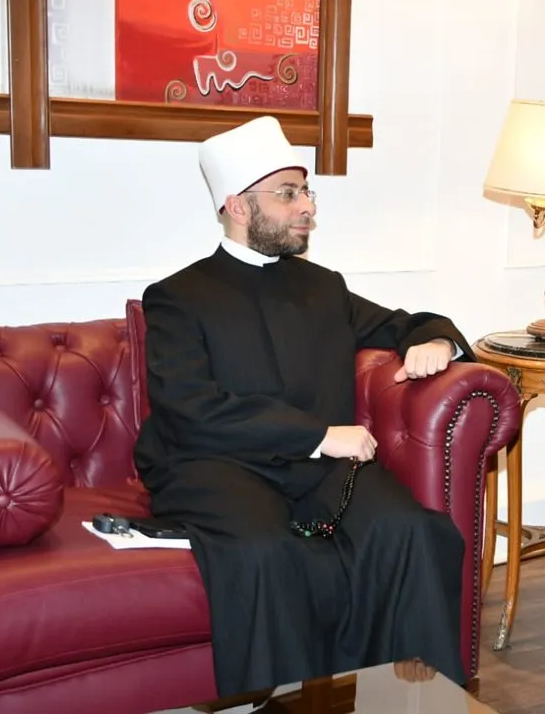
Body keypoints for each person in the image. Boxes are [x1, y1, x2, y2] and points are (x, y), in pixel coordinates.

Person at [132, 115, 474, 699]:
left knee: (412, 532)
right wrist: (318, 435)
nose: (307, 207)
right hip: (213, 467)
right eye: (288, 194)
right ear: (237, 207)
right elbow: (191, 409)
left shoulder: (323, 287)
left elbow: (410, 323)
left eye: (307, 192)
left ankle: (411, 703)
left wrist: (437, 343)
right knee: (263, 554)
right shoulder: (176, 298)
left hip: (317, 471)